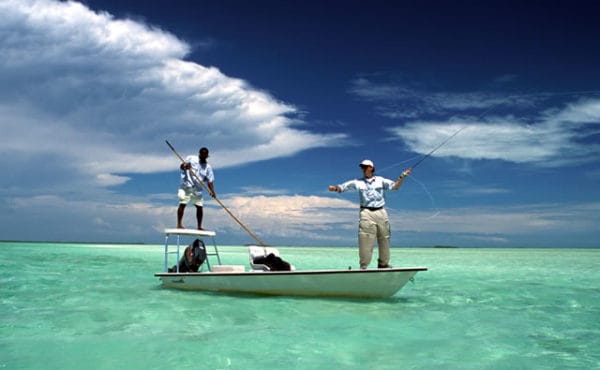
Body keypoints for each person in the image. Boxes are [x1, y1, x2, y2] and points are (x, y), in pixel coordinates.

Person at [328, 159, 411, 269]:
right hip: (366, 212)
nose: (363, 169)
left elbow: (394, 187)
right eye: (362, 167)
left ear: (371, 168)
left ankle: (383, 264)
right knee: (365, 239)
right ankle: (364, 266)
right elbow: (344, 187)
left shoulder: (380, 180)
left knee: (384, 238)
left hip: (381, 211)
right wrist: (335, 188)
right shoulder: (358, 182)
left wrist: (402, 177)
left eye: (365, 167)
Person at [177, 147, 216, 230]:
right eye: (202, 156)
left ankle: (199, 226)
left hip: (197, 189)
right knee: (183, 203)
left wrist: (212, 191)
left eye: (205, 156)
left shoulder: (208, 167)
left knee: (199, 206)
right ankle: (179, 224)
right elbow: (181, 166)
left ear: (207, 156)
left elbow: (210, 180)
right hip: (186, 185)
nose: (203, 158)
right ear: (199, 154)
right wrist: (185, 166)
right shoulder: (191, 158)